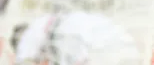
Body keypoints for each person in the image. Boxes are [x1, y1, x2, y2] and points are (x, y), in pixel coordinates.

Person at [12, 11, 141, 65]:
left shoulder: (26, 39)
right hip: (85, 24)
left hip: (65, 37)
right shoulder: (41, 21)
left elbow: (25, 60)